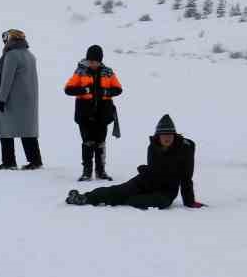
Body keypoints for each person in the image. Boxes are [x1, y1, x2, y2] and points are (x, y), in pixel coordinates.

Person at [66, 114, 203, 209]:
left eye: (169, 135)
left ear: (174, 135)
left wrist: (189, 202)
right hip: (146, 181)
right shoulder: (153, 147)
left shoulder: (185, 149)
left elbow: (186, 177)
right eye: (163, 135)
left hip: (166, 192)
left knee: (154, 202)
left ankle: (127, 199)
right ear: (158, 136)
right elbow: (154, 170)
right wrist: (145, 172)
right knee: (118, 191)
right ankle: (84, 197)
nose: (167, 138)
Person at [63, 44, 123, 181]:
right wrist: (84, 91)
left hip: (103, 113)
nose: (93, 63)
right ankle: (87, 171)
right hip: (84, 114)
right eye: (91, 61)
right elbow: (68, 89)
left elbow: (118, 89)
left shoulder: (108, 72)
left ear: (100, 60)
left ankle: (101, 171)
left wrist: (106, 92)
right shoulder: (80, 72)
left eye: (95, 61)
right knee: (87, 142)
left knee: (100, 142)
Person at [0, 28, 42, 169]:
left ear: (11, 40)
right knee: (27, 131)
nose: (4, 42)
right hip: (28, 100)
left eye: (5, 39)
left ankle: (9, 162)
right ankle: (36, 161)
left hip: (12, 100)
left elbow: (7, 79)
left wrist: (2, 99)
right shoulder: (29, 55)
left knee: (5, 130)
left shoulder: (11, 55)